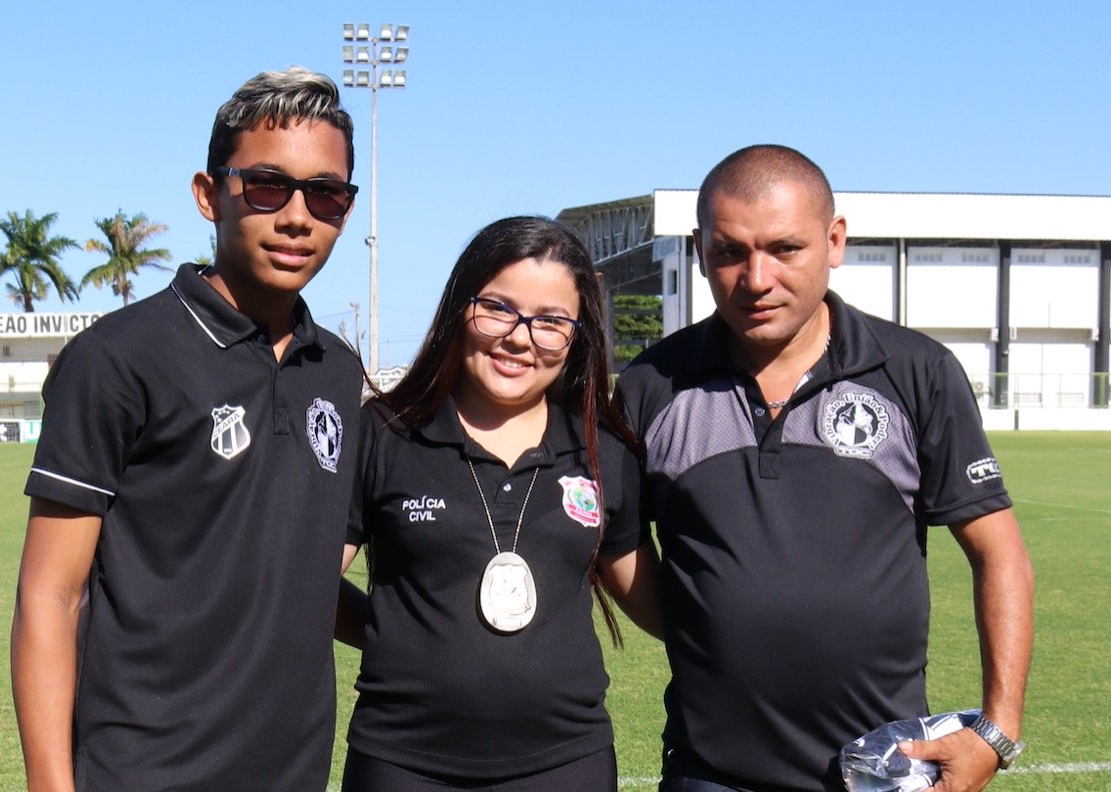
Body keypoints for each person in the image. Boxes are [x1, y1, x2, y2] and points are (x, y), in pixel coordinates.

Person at [616, 145, 1034, 792]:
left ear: (834, 241)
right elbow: (617, 545)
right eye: (730, 252)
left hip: (879, 774)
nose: (756, 278)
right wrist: (706, 625)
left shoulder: (916, 372)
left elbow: (999, 553)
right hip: (709, 775)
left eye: (785, 249)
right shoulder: (651, 386)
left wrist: (997, 731)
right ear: (699, 251)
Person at [10, 68, 363, 791]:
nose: (297, 215)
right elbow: (50, 596)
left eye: (325, 193)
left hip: (293, 774)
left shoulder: (338, 372)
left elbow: (300, 577)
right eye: (267, 185)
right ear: (209, 195)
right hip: (143, 772)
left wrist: (429, 637)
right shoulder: (118, 358)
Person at [336, 216, 662, 792]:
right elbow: (302, 581)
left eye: (551, 322)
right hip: (402, 762)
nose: (519, 337)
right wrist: (384, 629)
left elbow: (655, 603)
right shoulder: (384, 434)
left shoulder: (603, 452)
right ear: (460, 309)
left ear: (578, 334)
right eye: (498, 308)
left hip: (566, 765)